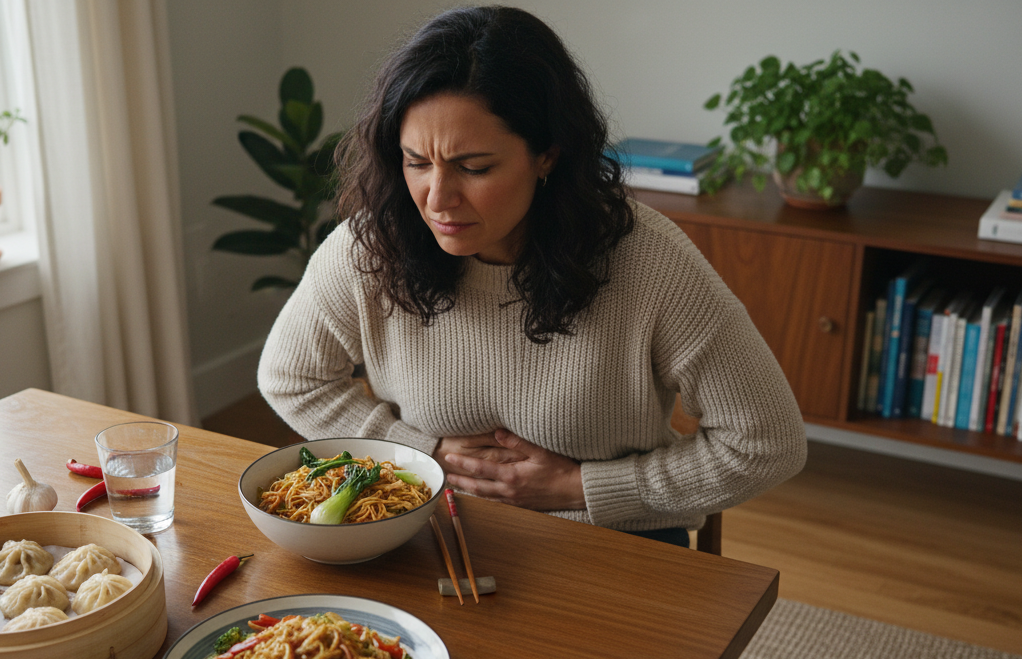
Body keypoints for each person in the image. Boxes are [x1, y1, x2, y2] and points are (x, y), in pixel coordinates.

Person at [258, 6, 806, 546]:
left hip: (613, 540)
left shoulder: (650, 262)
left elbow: (766, 443)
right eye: (416, 162)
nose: (438, 198)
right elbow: (291, 378)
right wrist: (420, 452)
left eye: (474, 167)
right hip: (434, 526)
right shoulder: (373, 243)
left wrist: (581, 487)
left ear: (547, 155)